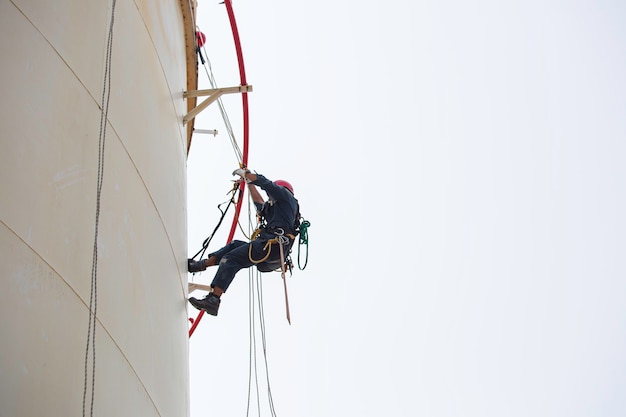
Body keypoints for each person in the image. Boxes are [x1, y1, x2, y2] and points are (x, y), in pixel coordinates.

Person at [187, 168, 300, 316]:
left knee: (231, 259)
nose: (268, 197)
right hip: (270, 250)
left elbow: (267, 184)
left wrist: (247, 175)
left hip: (272, 246)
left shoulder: (286, 198)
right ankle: (201, 265)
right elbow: (259, 203)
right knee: (234, 245)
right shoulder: (276, 208)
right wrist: (249, 183)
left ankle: (214, 300)